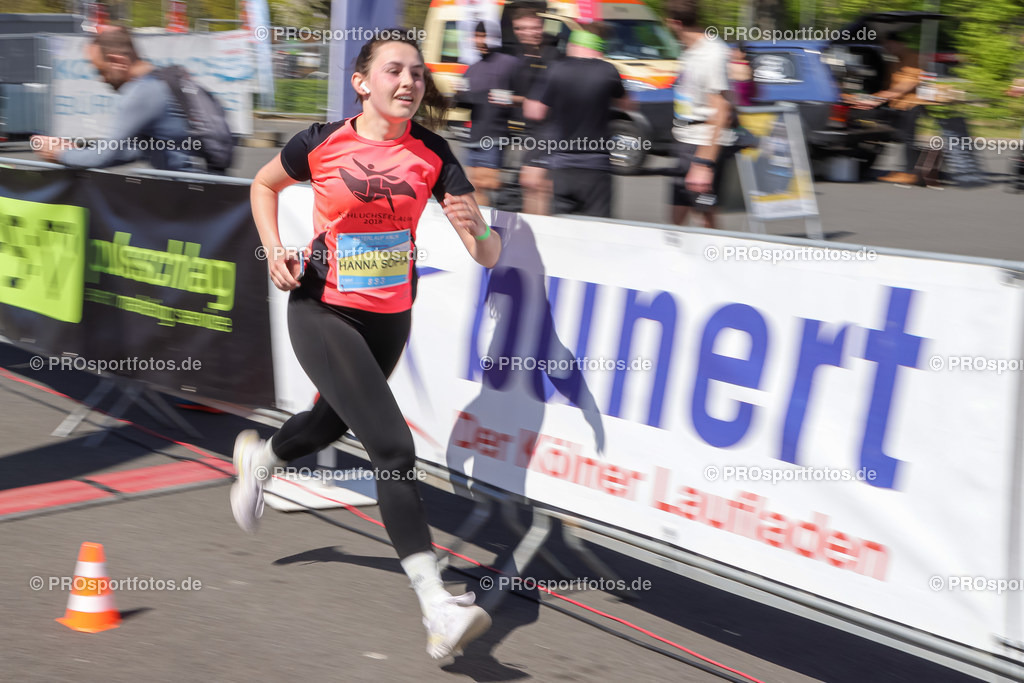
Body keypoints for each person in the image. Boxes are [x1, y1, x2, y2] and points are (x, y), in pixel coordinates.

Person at [231, 32, 501, 661]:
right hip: (322, 307)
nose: (409, 82)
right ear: (362, 82)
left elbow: (486, 253)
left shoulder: (432, 153)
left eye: (417, 73)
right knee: (393, 448)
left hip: (389, 317)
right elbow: (263, 185)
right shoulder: (321, 141)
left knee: (329, 423)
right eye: (394, 71)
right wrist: (275, 249)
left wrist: (480, 230)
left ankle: (262, 459)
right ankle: (436, 607)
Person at [31, 26, 204, 172]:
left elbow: (103, 156)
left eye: (101, 71)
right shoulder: (159, 81)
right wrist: (75, 152)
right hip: (201, 188)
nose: (102, 79)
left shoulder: (142, 93)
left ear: (117, 61)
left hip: (191, 193)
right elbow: (134, 151)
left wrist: (58, 153)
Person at [526, 24, 629, 217]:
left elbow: (534, 111)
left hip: (562, 165)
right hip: (596, 167)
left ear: (573, 45)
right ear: (598, 48)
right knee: (598, 227)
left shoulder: (556, 69)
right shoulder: (608, 71)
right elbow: (627, 105)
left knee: (563, 227)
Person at [665, 0, 740, 229]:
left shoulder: (712, 53)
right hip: (685, 140)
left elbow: (722, 112)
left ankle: (715, 251)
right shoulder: (689, 49)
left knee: (706, 218)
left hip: (703, 144)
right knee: (677, 218)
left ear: (675, 23)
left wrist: (704, 163)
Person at [456, 20, 521, 207]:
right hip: (473, 140)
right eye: (477, 36)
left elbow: (525, 97)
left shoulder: (509, 63)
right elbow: (462, 104)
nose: (480, 40)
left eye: (484, 35)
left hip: (494, 138)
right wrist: (458, 95)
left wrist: (508, 99)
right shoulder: (471, 69)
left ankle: (498, 215)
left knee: (486, 184)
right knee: (473, 188)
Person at [847, 33, 925, 185]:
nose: (887, 48)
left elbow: (905, 86)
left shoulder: (914, 59)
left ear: (900, 43)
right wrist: (868, 98)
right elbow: (888, 88)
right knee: (897, 136)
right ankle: (909, 171)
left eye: (889, 45)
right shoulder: (894, 62)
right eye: (885, 46)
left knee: (908, 139)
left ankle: (911, 174)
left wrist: (876, 100)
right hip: (897, 105)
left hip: (911, 104)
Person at [509, 8, 560, 215]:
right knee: (534, 185)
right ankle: (537, 226)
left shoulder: (553, 56)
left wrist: (517, 100)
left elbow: (551, 96)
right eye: (524, 28)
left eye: (535, 27)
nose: (531, 32)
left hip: (550, 129)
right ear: (517, 31)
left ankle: (539, 227)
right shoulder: (518, 57)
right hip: (529, 129)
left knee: (534, 182)